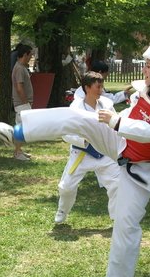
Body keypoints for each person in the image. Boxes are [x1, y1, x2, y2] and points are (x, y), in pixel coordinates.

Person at [13, 43, 150, 277]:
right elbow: (133, 115)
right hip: (120, 142)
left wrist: (116, 121)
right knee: (78, 117)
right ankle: (19, 132)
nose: (144, 70)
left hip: (141, 170)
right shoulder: (148, 90)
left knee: (125, 226)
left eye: (149, 66)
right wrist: (115, 120)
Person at [54, 71, 119, 224]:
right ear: (87, 88)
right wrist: (83, 140)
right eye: (98, 86)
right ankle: (62, 211)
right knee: (67, 187)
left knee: (117, 184)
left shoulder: (107, 104)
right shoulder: (75, 107)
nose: (101, 89)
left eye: (102, 85)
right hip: (82, 154)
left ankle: (117, 218)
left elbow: (115, 124)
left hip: (104, 153)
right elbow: (65, 133)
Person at [12, 44, 34, 161]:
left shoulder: (20, 67)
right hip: (22, 104)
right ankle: (17, 152)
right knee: (22, 129)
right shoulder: (20, 68)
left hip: (23, 103)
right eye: (30, 55)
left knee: (22, 128)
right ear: (25, 54)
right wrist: (26, 103)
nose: (31, 57)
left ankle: (19, 150)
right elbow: (19, 87)